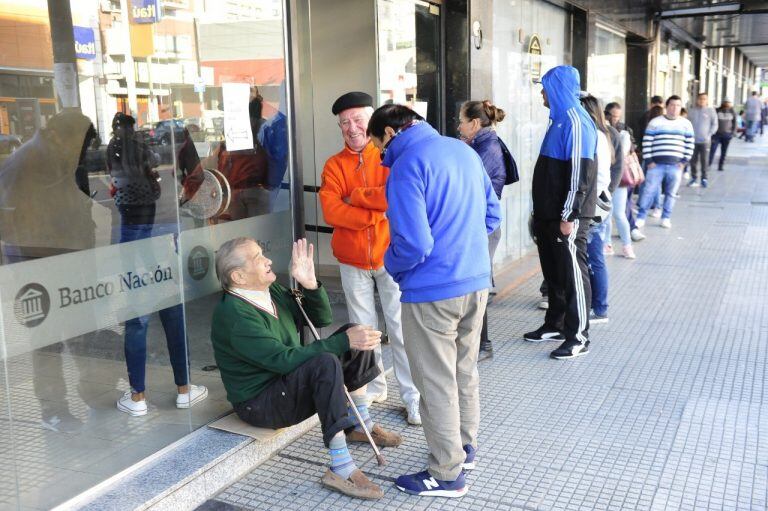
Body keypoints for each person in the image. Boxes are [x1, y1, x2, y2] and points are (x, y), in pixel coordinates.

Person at [367, 104, 501, 497]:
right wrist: (468, 252)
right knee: (464, 370)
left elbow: (414, 243)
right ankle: (464, 447)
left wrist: (392, 265)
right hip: (476, 282)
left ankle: (446, 474)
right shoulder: (463, 151)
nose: (382, 157)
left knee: (435, 381)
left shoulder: (407, 165)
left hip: (432, 292)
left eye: (379, 148)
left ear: (390, 134)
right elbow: (492, 215)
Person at [210, 237, 403, 499]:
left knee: (354, 333)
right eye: (258, 258)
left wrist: (310, 285)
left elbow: (321, 318)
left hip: (284, 384)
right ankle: (341, 467)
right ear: (238, 276)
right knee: (325, 359)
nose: (268, 261)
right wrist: (341, 342)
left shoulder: (271, 292)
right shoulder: (234, 315)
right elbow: (283, 359)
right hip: (261, 404)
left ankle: (360, 423)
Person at [319, 91, 421, 425]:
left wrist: (358, 198)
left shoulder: (390, 155)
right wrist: (372, 215)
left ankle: (413, 396)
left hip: (390, 257)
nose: (352, 128)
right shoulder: (334, 165)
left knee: (400, 327)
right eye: (344, 123)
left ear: (371, 120)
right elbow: (332, 210)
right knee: (364, 331)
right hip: (351, 260)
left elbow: (393, 195)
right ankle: (374, 386)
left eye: (358, 120)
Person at [107, 112, 208, 416]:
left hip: (130, 230)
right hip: (163, 229)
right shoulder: (158, 146)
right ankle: (184, 389)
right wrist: (180, 202)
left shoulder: (112, 149)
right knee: (172, 308)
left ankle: (138, 397)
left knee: (136, 316)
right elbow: (198, 176)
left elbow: (112, 185)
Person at [524, 65, 597, 361]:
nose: (542, 92)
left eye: (545, 87)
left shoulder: (576, 121)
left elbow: (580, 173)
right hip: (548, 214)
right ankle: (554, 324)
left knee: (572, 274)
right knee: (554, 273)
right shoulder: (558, 120)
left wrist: (569, 216)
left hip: (567, 217)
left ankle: (578, 336)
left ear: (557, 89)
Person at [457, 99, 508, 359]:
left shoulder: (485, 147)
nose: (458, 127)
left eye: (462, 121)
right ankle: (479, 344)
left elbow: (472, 188)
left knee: (479, 284)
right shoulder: (481, 144)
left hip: (483, 225)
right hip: (482, 224)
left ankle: (482, 344)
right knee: (478, 282)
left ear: (475, 123)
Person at [580, 94, 622, 323]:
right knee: (594, 256)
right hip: (599, 202)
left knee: (594, 256)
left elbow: (603, 176)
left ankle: (600, 308)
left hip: (595, 204)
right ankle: (599, 306)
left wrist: (591, 202)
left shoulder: (595, 135)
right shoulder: (602, 134)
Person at [636, 96, 694, 230]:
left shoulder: (686, 124)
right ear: (666, 106)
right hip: (656, 165)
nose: (675, 108)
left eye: (678, 105)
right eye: (672, 105)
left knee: (671, 193)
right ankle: (641, 217)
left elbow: (690, 144)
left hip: (676, 165)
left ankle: (666, 217)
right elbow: (647, 142)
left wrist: (684, 161)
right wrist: (649, 161)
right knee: (648, 191)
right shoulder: (655, 122)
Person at [604, 102, 645, 243]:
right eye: (613, 116)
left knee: (622, 208)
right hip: (608, 176)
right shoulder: (603, 128)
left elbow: (625, 151)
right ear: (606, 114)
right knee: (612, 212)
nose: (615, 119)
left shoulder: (624, 130)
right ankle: (610, 242)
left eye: (618, 116)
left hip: (622, 176)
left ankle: (630, 234)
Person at [687, 93, 718, 188]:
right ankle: (693, 178)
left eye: (704, 99)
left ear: (707, 100)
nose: (702, 100)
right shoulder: (691, 111)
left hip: (705, 141)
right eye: (700, 99)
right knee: (693, 161)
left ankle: (704, 178)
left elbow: (715, 124)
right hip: (693, 141)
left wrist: (709, 135)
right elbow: (687, 124)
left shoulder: (711, 111)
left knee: (704, 161)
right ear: (697, 100)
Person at [709, 99, 737, 171]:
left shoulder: (732, 112)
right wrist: (711, 132)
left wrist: (733, 133)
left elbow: (735, 123)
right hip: (716, 134)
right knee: (713, 149)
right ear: (723, 103)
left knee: (724, 151)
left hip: (727, 135)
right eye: (726, 102)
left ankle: (721, 166)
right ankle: (708, 164)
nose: (727, 104)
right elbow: (712, 121)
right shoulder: (717, 110)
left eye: (729, 102)